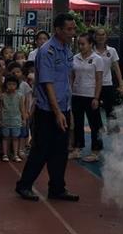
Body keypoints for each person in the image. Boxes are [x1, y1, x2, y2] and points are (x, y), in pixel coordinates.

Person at [15, 13, 78, 202]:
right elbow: (47, 83)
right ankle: (24, 185)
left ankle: (57, 188)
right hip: (48, 111)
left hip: (63, 107)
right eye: (69, 29)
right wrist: (57, 112)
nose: (72, 33)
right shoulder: (47, 51)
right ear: (58, 30)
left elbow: (67, 78)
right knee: (41, 149)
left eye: (74, 29)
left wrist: (66, 108)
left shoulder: (66, 49)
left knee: (60, 151)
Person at [70, 32, 105, 163]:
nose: (80, 46)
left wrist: (96, 97)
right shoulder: (75, 58)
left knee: (95, 124)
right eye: (79, 44)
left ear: (90, 44)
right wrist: (70, 92)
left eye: (83, 44)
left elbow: (99, 79)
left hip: (91, 95)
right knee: (77, 123)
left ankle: (96, 151)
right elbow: (72, 77)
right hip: (76, 94)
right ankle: (77, 149)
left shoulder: (97, 59)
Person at [93, 27, 123, 133]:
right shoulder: (91, 50)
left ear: (106, 37)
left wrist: (121, 84)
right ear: (95, 37)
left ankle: (113, 129)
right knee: (94, 108)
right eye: (98, 35)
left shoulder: (112, 50)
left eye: (103, 34)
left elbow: (116, 68)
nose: (101, 37)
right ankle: (98, 128)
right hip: (94, 84)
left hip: (107, 83)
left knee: (110, 108)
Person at [0, 75, 27, 163]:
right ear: (6, 85)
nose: (11, 86)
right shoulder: (3, 96)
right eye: (9, 84)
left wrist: (24, 119)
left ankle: (15, 154)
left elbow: (22, 108)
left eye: (14, 84)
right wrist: (0, 119)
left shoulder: (20, 96)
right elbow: (1, 108)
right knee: (5, 137)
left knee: (15, 138)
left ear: (17, 85)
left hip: (16, 120)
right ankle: (5, 154)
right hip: (5, 120)